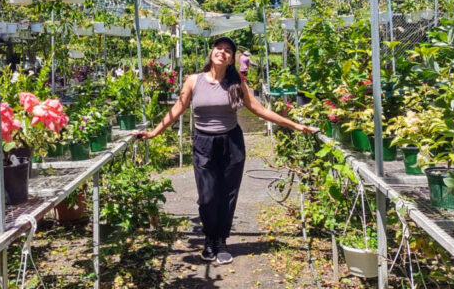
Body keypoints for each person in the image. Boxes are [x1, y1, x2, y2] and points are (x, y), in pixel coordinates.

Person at [133, 36, 318, 265]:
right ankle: (209, 238)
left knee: (228, 195)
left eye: (228, 50)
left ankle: (220, 241)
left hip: (231, 142)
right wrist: (154, 133)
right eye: (218, 48)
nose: (222, 52)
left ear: (232, 59)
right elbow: (177, 109)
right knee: (208, 197)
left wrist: (295, 125)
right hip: (203, 143)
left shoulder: (236, 82)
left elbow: (259, 109)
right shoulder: (193, 80)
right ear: (211, 53)